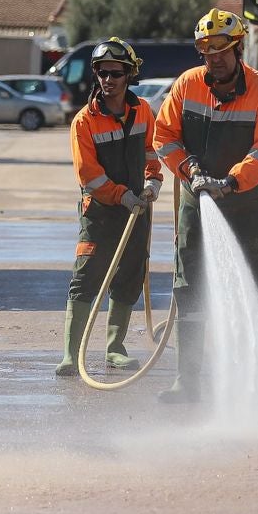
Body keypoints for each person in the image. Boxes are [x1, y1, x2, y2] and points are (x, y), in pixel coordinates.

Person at [153, 8, 258, 403]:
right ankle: (187, 379)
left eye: (222, 51)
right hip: (197, 202)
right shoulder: (187, 85)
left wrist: (231, 182)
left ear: (238, 48)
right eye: (207, 52)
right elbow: (165, 136)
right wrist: (190, 170)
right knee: (189, 287)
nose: (215, 59)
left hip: (248, 203)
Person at [56, 38, 162, 376]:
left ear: (129, 75)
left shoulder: (143, 110)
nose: (108, 80)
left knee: (130, 276)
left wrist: (153, 181)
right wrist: (121, 195)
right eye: (102, 73)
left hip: (136, 212)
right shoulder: (85, 121)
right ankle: (71, 355)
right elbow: (89, 175)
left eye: (115, 73)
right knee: (86, 277)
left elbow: (151, 152)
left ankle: (115, 348)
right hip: (99, 214)